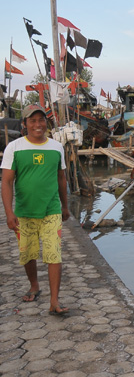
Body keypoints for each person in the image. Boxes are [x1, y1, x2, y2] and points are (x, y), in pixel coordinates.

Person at [1, 104, 70, 315]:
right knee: (28, 254)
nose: (38, 125)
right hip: (24, 212)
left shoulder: (56, 147)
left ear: (46, 124)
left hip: (51, 210)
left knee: (53, 254)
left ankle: (54, 301)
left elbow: (61, 178)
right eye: (32, 121)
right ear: (25, 124)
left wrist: (65, 206)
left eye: (41, 120)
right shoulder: (15, 147)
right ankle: (34, 285)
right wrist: (9, 213)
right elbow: (6, 182)